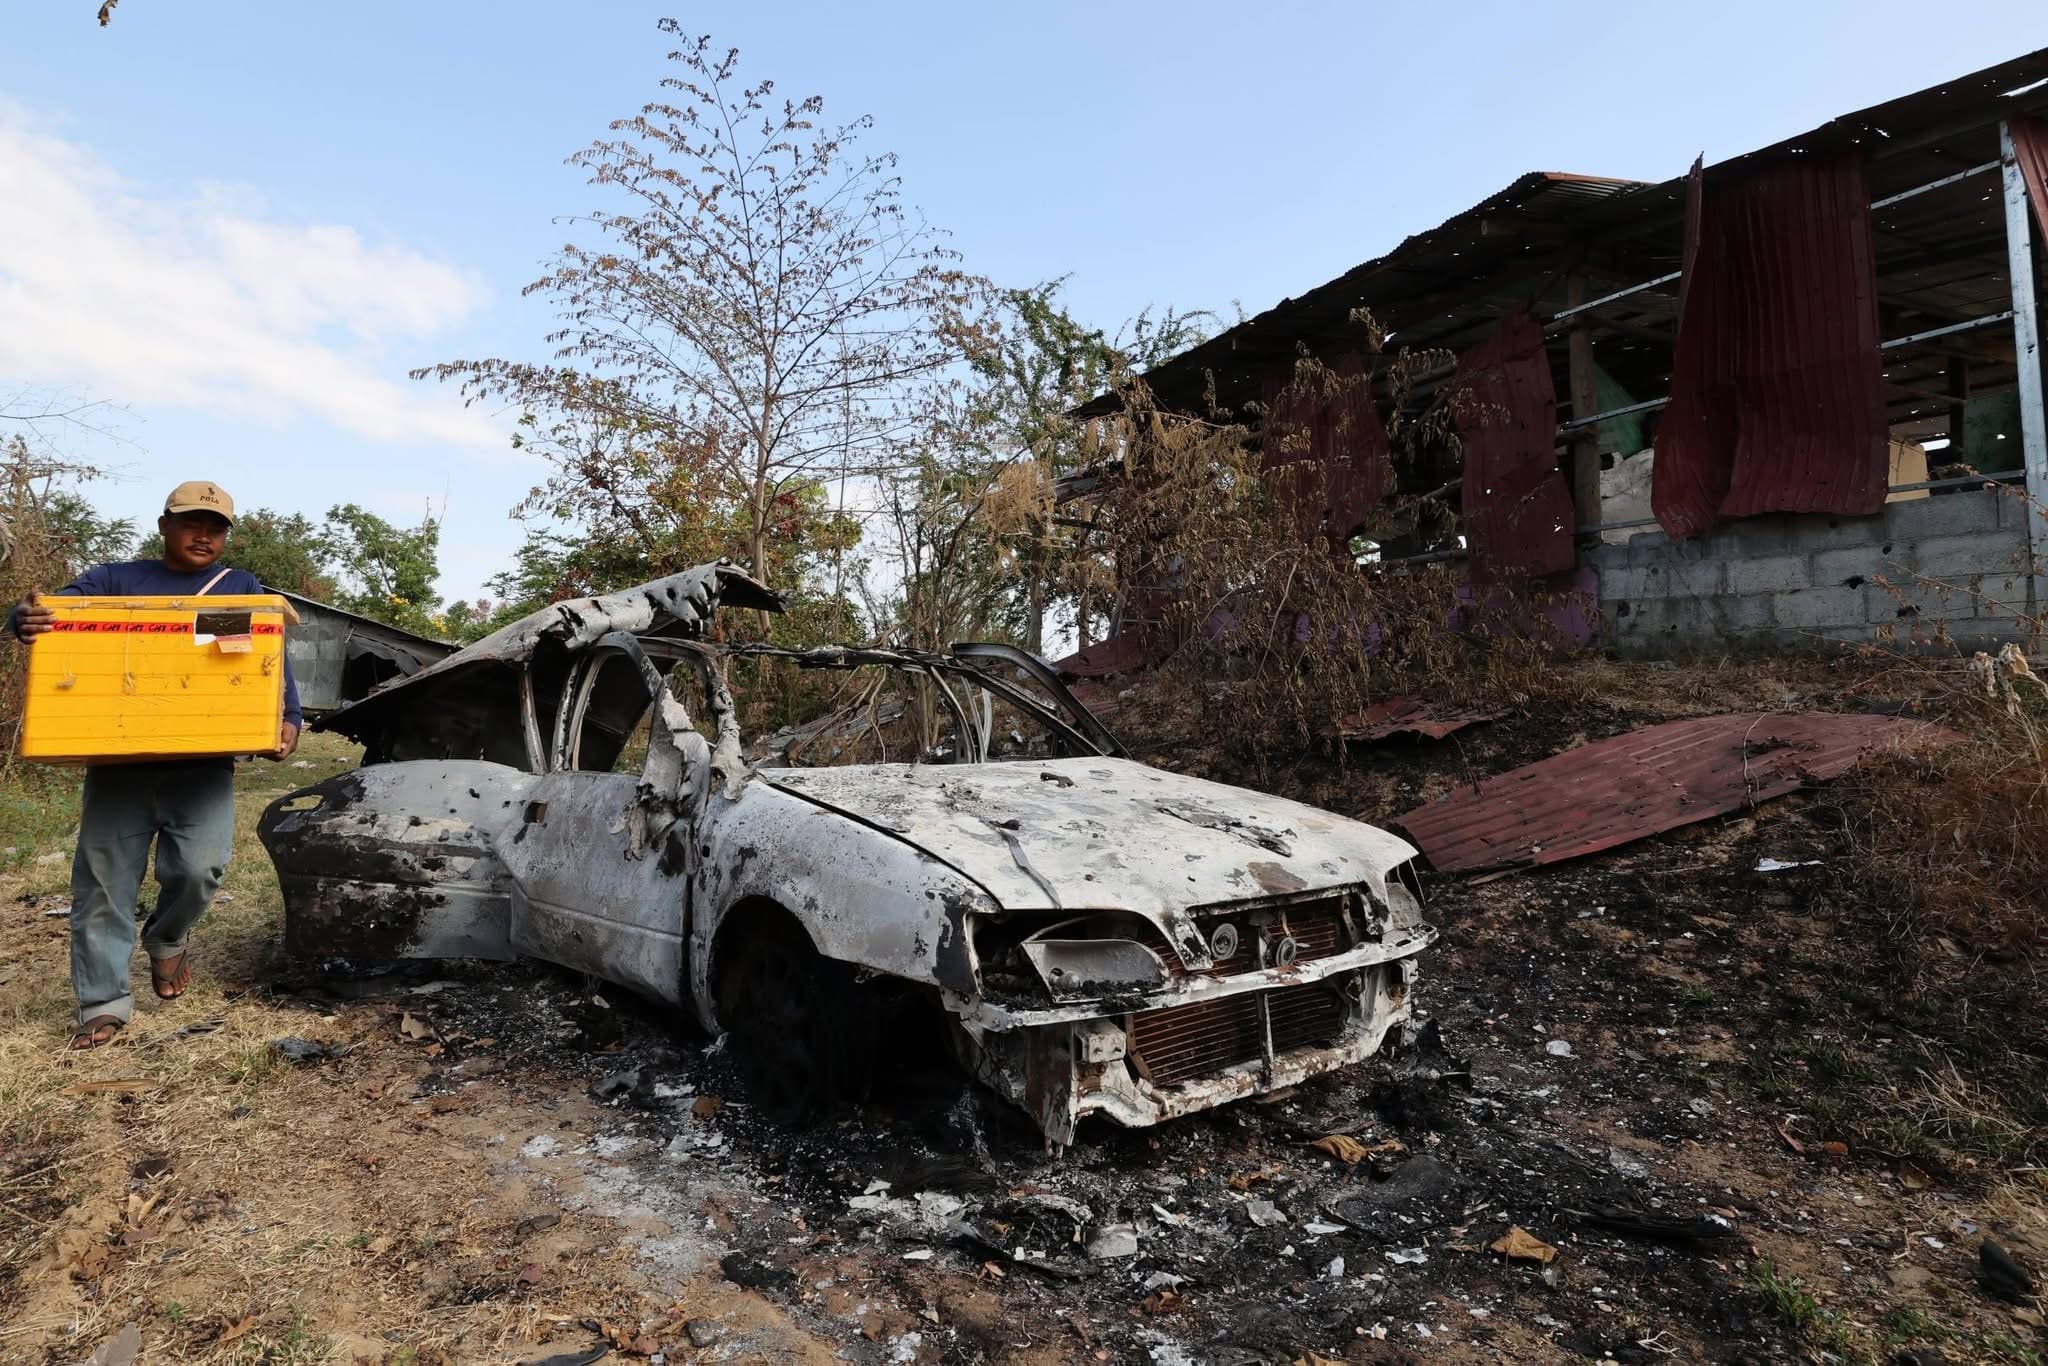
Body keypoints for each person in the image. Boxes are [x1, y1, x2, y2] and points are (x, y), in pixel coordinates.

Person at [7, 481, 302, 1049]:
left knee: (198, 871)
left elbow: (265, 656)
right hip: (120, 762)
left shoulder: (237, 588)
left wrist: (288, 715)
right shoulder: (115, 580)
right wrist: (22, 617)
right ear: (164, 525)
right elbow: (53, 613)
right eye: (192, 523)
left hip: (203, 763)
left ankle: (167, 940)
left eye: (215, 528)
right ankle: (102, 1002)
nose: (203, 536)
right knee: (103, 884)